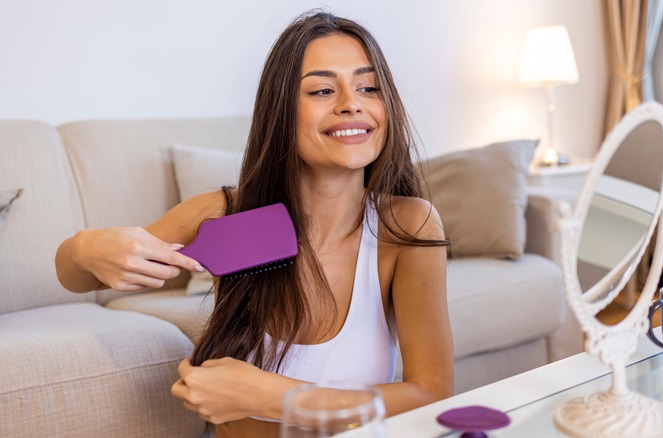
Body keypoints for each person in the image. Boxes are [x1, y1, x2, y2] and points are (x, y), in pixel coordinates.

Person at [54, 9, 454, 437]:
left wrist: (270, 396)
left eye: (368, 87)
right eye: (321, 89)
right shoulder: (225, 214)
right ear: (280, 109)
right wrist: (84, 248)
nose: (351, 103)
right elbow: (75, 277)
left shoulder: (407, 226)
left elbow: (432, 395)